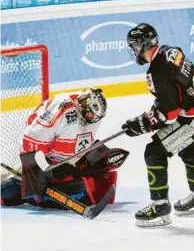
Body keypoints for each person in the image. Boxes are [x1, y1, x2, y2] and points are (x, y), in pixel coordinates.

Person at [122, 23, 194, 227]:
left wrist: (142, 123)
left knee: (154, 152)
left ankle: (159, 207)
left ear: (144, 44)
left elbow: (169, 114)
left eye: (134, 46)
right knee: (190, 152)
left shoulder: (156, 72)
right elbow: (177, 91)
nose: (134, 51)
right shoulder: (171, 51)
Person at [1, 87, 129, 209]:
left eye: (95, 116)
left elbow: (83, 139)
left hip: (63, 157)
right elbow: (31, 138)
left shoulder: (93, 116)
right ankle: (6, 193)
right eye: (90, 114)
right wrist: (36, 173)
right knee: (32, 190)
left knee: (92, 160)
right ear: (83, 105)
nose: (92, 118)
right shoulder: (61, 108)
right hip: (43, 153)